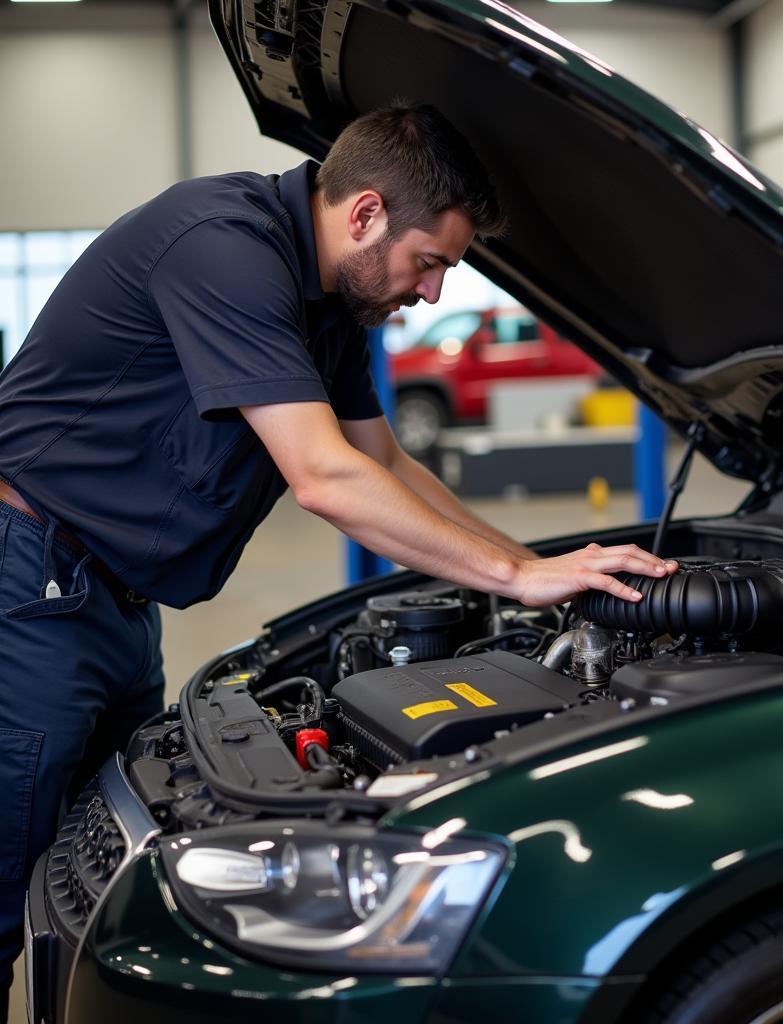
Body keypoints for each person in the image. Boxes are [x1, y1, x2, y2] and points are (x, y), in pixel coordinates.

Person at [0, 102, 674, 1013]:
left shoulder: (335, 304)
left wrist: (544, 568)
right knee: (6, 886)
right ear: (364, 215)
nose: (432, 293)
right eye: (430, 262)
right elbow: (323, 476)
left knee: (98, 880)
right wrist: (514, 578)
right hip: (28, 581)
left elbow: (382, 461)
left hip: (115, 601)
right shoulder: (223, 248)